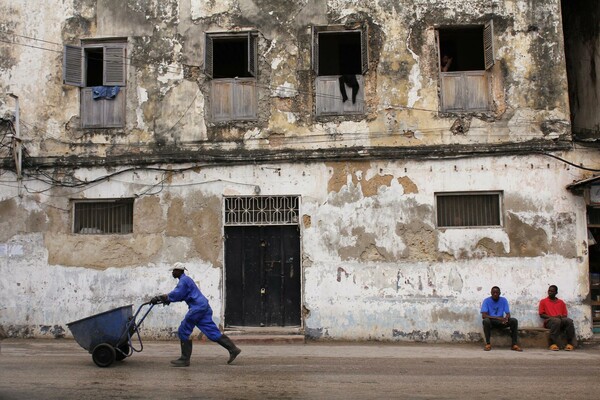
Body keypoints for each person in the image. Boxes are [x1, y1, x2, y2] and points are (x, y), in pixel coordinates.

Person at [151, 263, 241, 367]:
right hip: (203, 306)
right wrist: (167, 299)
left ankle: (185, 359)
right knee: (212, 331)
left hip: (197, 308)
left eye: (174, 271)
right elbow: (182, 295)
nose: (172, 272)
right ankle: (233, 349)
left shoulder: (183, 281)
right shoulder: (186, 280)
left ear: (179, 271)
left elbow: (176, 294)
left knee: (183, 330)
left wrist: (161, 298)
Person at [480, 286, 522, 351]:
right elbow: (484, 316)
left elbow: (508, 313)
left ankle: (514, 344)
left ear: (500, 293)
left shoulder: (503, 300)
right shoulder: (486, 301)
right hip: (491, 322)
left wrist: (506, 318)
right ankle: (488, 344)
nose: (495, 294)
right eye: (493, 292)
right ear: (491, 293)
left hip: (501, 322)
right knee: (486, 321)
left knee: (514, 321)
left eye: (497, 292)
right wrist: (498, 318)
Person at [538, 285, 577, 351]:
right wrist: (553, 317)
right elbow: (541, 314)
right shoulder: (543, 301)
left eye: (552, 291)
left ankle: (570, 343)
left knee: (569, 321)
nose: (550, 292)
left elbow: (565, 315)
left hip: (560, 320)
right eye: (549, 291)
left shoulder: (561, 302)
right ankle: (552, 343)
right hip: (549, 321)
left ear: (556, 293)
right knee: (556, 321)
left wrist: (561, 317)